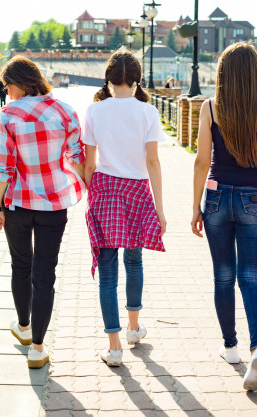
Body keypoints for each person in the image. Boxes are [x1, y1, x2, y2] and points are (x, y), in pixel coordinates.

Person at [191, 42, 257, 391]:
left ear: (223, 74)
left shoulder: (211, 108)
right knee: (251, 277)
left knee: (222, 276)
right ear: (255, 73)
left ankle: (230, 347)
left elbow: (202, 160)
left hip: (216, 197)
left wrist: (194, 206)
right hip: (254, 200)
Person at [0, 56, 86, 369]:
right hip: (54, 204)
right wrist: (87, 189)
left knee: (21, 266)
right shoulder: (65, 111)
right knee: (45, 275)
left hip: (17, 203)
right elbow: (77, 156)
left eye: (7, 86)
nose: (6, 93)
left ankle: (25, 328)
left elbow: (3, 166)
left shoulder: (8, 115)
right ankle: (38, 348)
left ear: (19, 83)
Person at [82, 51, 166, 367]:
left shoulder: (94, 110)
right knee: (134, 259)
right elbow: (153, 161)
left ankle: (114, 347)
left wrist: (94, 195)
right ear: (137, 79)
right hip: (137, 190)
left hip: (104, 187)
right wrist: (160, 208)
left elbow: (89, 163)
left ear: (108, 78)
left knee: (107, 271)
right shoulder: (148, 112)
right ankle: (133, 328)